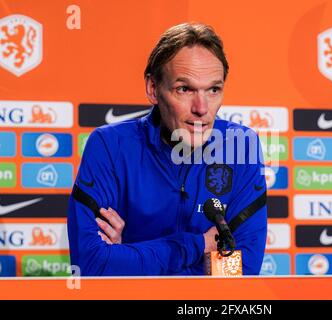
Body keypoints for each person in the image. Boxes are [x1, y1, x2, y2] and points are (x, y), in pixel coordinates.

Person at [67, 22, 268, 276]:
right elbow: (92, 265)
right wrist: (198, 246)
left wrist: (128, 255)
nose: (202, 108)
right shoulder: (109, 146)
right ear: (153, 89)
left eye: (213, 89)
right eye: (184, 89)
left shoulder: (241, 146)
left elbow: (241, 272)